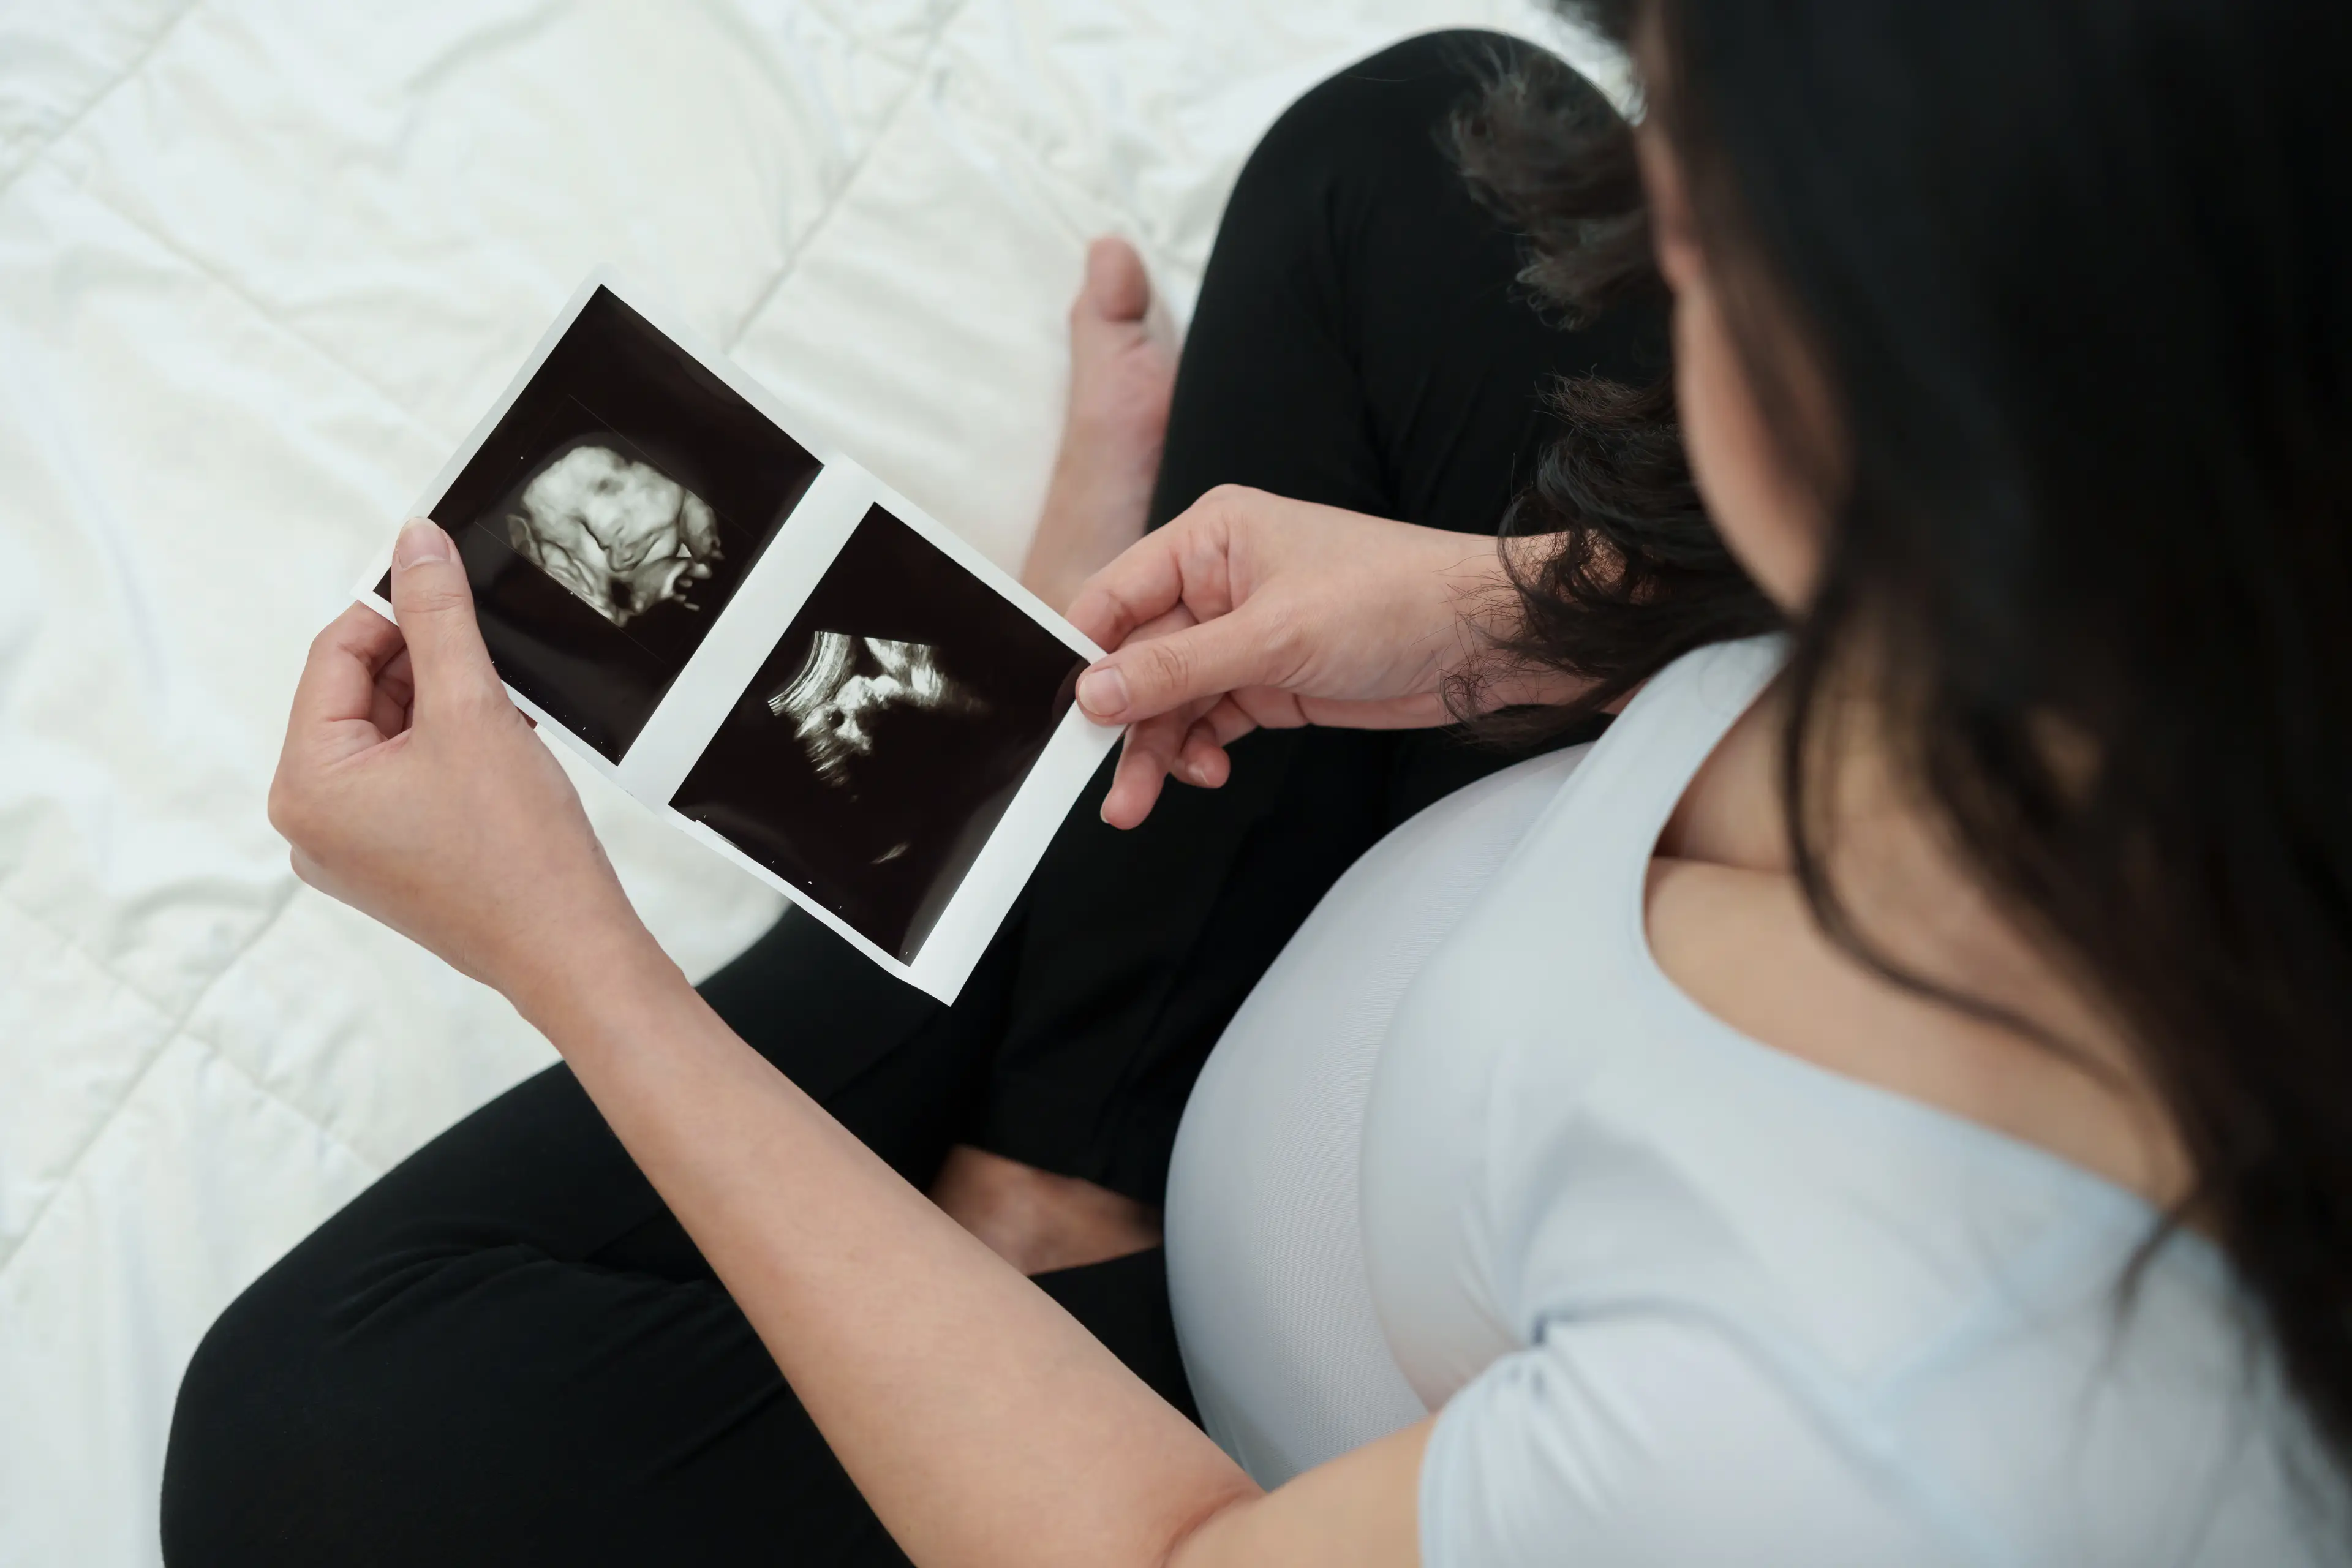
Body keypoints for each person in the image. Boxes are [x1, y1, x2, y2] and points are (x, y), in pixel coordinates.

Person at [164, 1, 2352, 1563]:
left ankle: (997, 910)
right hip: (1479, 951)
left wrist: (578, 962)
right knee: (1423, 142)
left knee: (305, 1449)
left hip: (1234, 1437)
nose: (1651, 221)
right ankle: (1042, 1059)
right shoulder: (2221, 583)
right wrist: (1529, 605)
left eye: (1702, 230)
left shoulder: (1888, 1436)